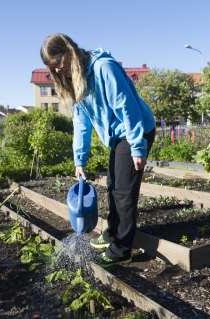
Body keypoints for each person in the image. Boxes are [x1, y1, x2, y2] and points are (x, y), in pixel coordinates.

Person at [40, 34, 156, 266]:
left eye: (59, 64)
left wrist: (137, 146)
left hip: (135, 129)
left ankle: (122, 248)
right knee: (113, 185)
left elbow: (127, 106)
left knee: (124, 190)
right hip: (117, 135)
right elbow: (81, 123)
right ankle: (113, 232)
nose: (59, 72)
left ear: (69, 51)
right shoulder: (77, 80)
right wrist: (79, 160)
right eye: (53, 69)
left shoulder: (104, 67)